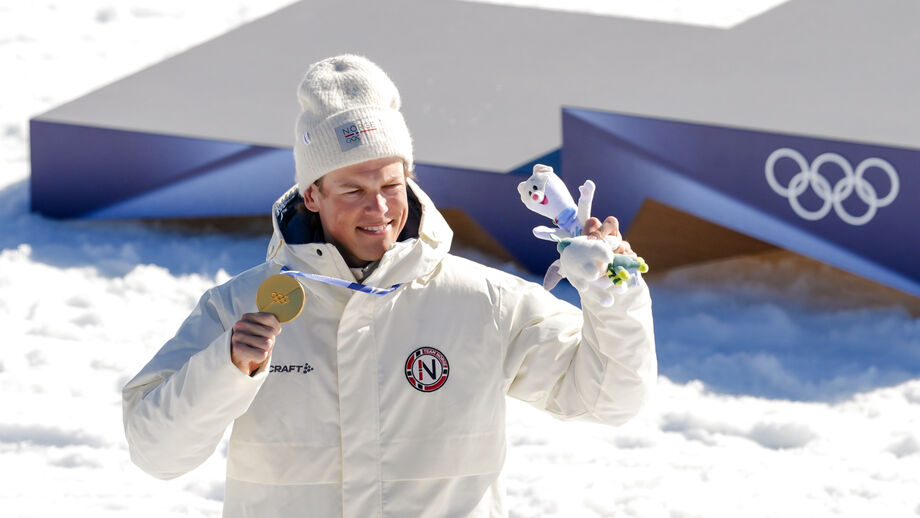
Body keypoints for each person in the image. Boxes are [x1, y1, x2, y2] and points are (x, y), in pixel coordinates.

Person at [123, 54, 656, 518]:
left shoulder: (483, 302)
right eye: (352, 190)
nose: (377, 208)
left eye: (390, 185)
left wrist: (612, 288)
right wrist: (227, 369)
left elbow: (609, 398)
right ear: (312, 195)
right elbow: (155, 453)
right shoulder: (239, 308)